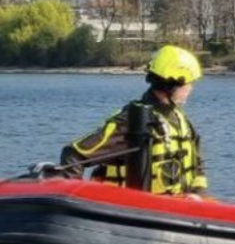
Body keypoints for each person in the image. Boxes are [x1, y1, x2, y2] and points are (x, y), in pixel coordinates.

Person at [60, 45, 208, 197]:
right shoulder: (131, 121)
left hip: (175, 210)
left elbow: (198, 166)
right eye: (189, 83)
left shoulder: (182, 122)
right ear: (173, 83)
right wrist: (73, 201)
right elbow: (73, 156)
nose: (191, 88)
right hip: (127, 212)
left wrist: (197, 194)